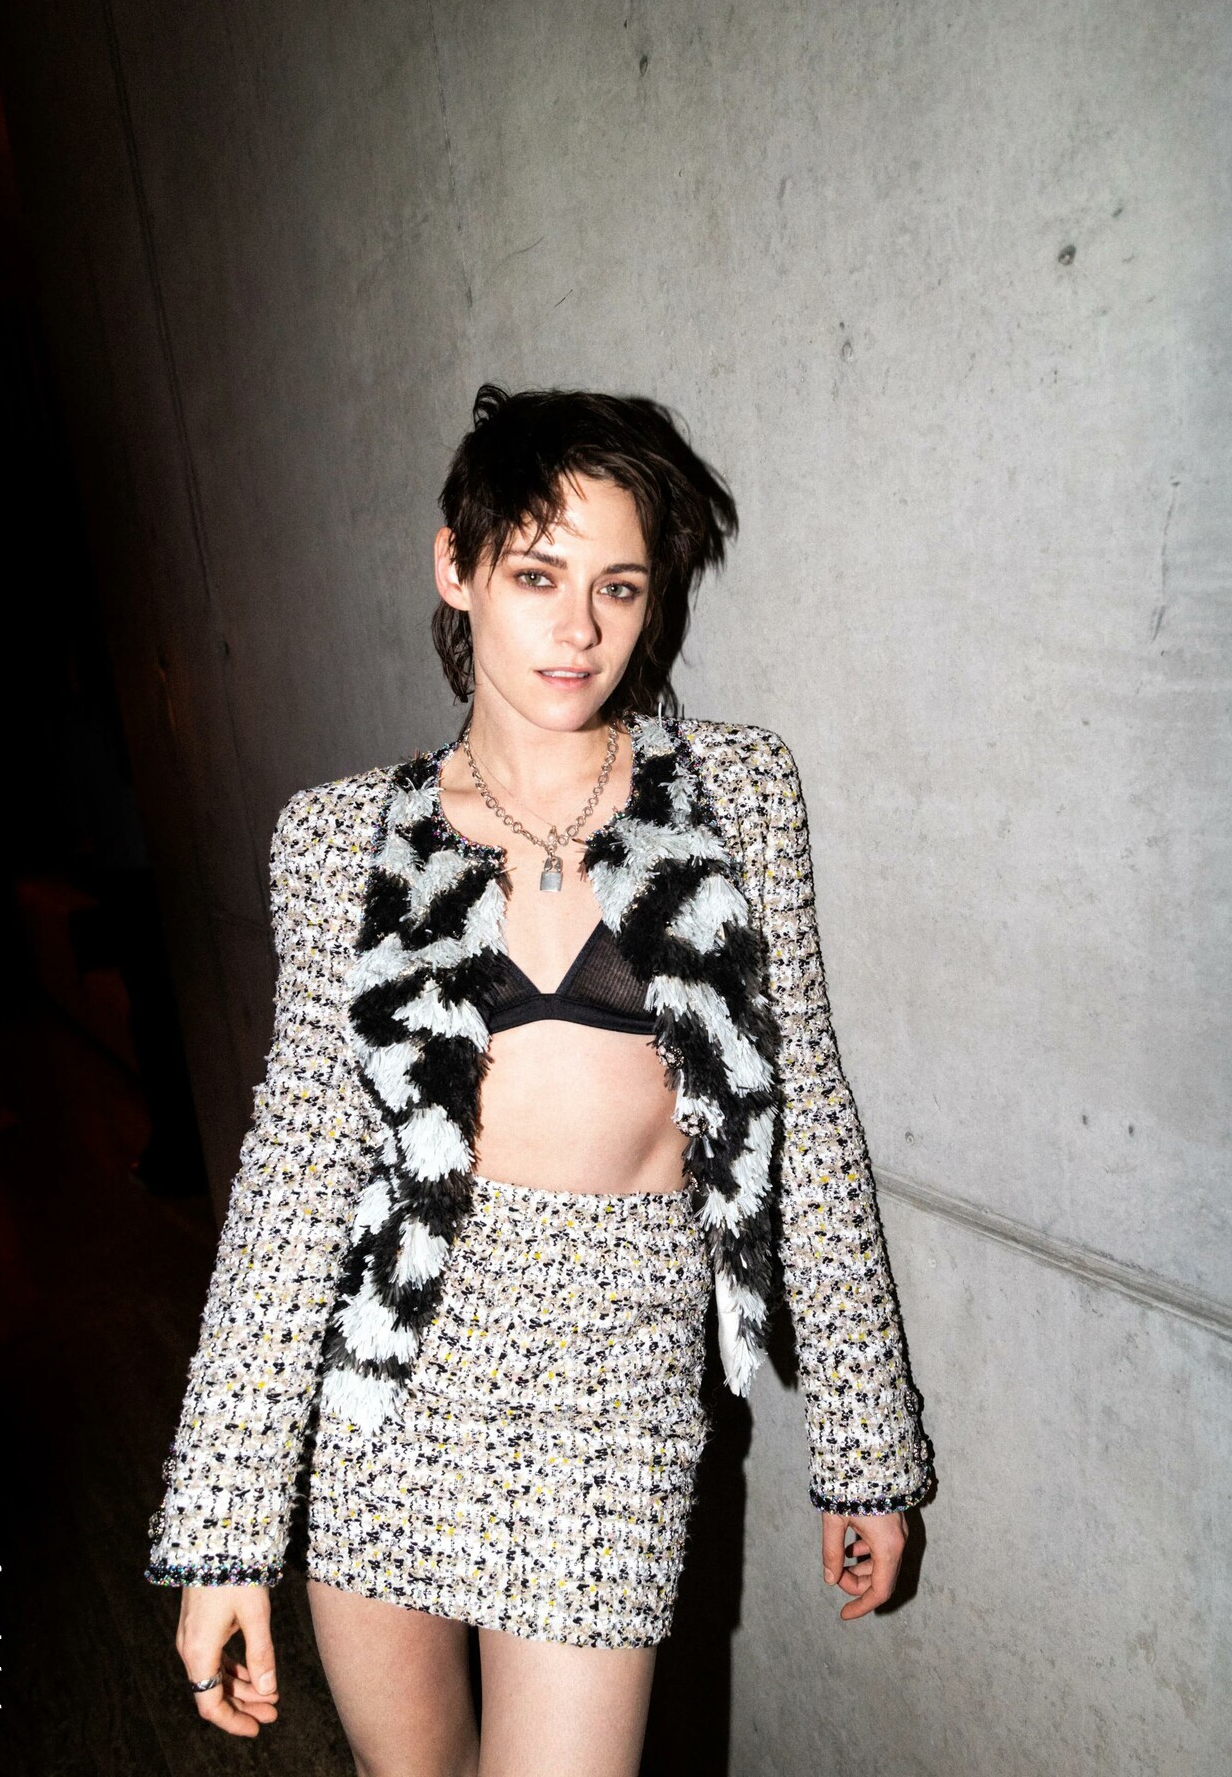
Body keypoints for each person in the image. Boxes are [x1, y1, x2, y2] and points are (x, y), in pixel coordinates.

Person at [147, 384, 936, 1777]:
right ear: (454, 568)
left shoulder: (735, 797)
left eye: (618, 587)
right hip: (387, 1391)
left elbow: (808, 1126)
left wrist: (867, 1446)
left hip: (614, 1390)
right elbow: (291, 1191)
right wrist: (222, 1535)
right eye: (536, 576)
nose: (579, 629)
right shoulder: (340, 838)